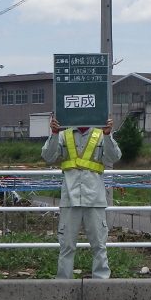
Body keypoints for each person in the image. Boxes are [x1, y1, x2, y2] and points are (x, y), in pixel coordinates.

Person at [41, 116, 121, 279]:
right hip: (70, 199)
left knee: (99, 245)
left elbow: (114, 158)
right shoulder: (64, 134)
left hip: (95, 199)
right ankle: (64, 283)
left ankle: (101, 282)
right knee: (66, 246)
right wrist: (54, 133)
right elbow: (48, 157)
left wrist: (107, 135)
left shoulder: (101, 133)